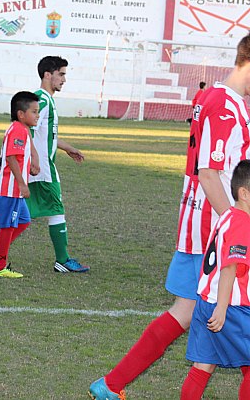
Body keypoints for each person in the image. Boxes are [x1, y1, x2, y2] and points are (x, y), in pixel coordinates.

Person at [88, 33, 250, 400]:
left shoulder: (218, 99)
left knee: (189, 313)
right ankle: (111, 383)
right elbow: (209, 173)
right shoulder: (225, 104)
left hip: (201, 223)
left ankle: (111, 384)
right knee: (228, 311)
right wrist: (236, 225)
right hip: (214, 226)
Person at [0, 56, 89, 273]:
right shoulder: (40, 99)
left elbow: (45, 135)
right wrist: (35, 159)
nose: (64, 79)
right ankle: (62, 259)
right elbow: (26, 131)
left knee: (20, 211)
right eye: (61, 74)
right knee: (54, 209)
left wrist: (68, 148)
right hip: (42, 170)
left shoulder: (45, 100)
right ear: (47, 75)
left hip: (38, 167)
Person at [179, 160, 250, 399]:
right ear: (245, 193)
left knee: (203, 367)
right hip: (230, 308)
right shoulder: (243, 223)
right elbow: (230, 267)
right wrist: (222, 308)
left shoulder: (228, 216)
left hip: (205, 302)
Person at [0, 91, 39, 278]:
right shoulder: (17, 130)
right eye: (34, 111)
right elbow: (11, 157)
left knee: (23, 221)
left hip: (14, 189)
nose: (37, 115)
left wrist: (34, 160)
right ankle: (0, 267)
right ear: (21, 114)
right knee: (8, 226)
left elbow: (22, 152)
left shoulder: (22, 129)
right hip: (9, 188)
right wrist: (23, 184)